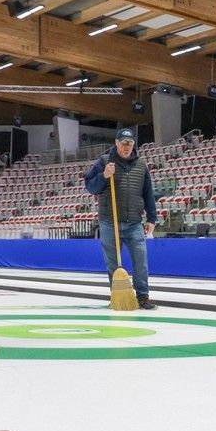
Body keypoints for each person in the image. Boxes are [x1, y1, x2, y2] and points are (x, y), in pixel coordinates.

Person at [84, 128, 160, 310]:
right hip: (110, 222)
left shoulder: (141, 165)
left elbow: (148, 193)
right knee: (112, 264)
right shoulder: (104, 162)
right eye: (124, 143)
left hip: (134, 222)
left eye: (130, 143)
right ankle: (117, 297)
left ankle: (143, 297)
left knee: (141, 262)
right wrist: (104, 176)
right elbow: (90, 187)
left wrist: (152, 218)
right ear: (116, 143)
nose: (127, 147)